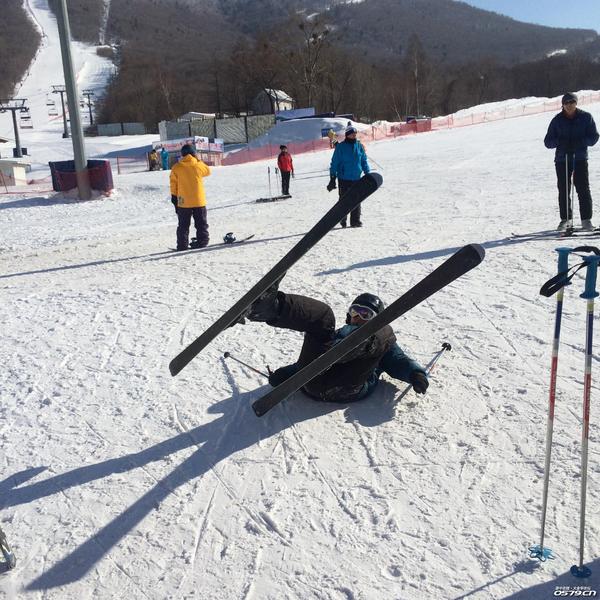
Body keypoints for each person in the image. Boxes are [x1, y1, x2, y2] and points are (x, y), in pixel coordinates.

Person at [240, 282, 428, 403]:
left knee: (382, 330)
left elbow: (398, 360)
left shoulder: (382, 341)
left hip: (349, 387)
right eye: (355, 311)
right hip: (312, 383)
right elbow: (313, 361)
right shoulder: (339, 334)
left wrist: (415, 374)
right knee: (323, 317)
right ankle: (269, 308)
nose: (358, 317)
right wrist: (284, 376)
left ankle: (360, 339)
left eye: (366, 314)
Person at [544, 92, 599, 231]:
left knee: (583, 189)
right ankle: (565, 219)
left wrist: (581, 141)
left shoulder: (586, 117)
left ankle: (586, 220)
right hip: (562, 159)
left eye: (572, 102)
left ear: (576, 103)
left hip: (579, 158)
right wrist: (560, 141)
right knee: (564, 190)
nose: (569, 105)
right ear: (562, 105)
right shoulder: (557, 120)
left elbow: (594, 137)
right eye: (566, 103)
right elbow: (548, 141)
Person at [327, 125, 370, 228]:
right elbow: (334, 163)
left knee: (357, 199)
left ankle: (355, 221)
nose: (354, 135)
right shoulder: (341, 147)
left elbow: (363, 160)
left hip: (356, 177)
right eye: (352, 134)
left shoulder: (359, 146)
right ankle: (343, 218)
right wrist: (332, 178)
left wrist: (367, 173)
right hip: (344, 178)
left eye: (355, 133)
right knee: (344, 200)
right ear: (347, 135)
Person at [170, 144, 211, 250]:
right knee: (201, 223)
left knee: (183, 225)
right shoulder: (198, 165)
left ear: (182, 154)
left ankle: (182, 245)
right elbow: (208, 171)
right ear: (194, 154)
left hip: (183, 201)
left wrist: (174, 197)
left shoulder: (176, 167)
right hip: (198, 200)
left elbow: (173, 184)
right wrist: (198, 160)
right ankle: (203, 241)